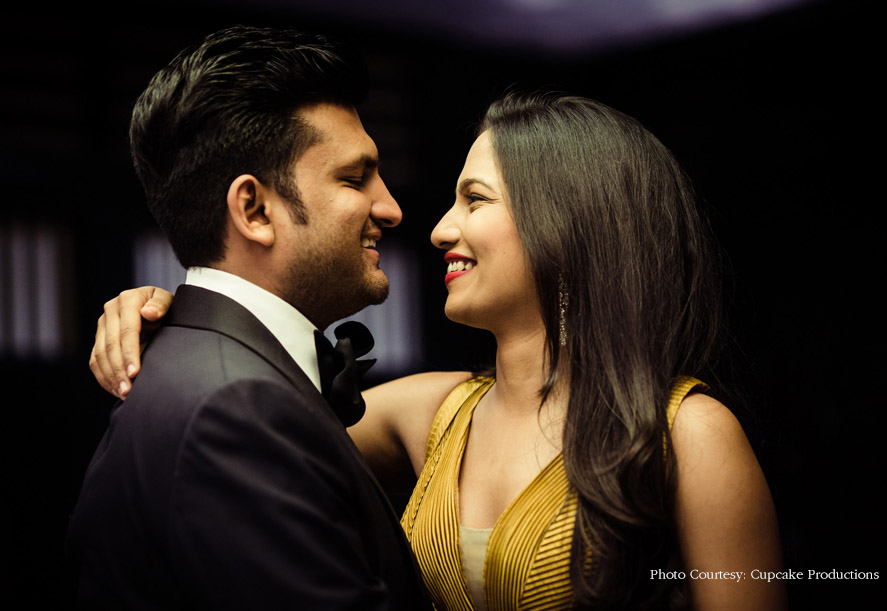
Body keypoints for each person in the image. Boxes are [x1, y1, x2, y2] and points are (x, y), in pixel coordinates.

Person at [90, 93, 787, 610]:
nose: (439, 229)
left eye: (474, 200)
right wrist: (184, 312)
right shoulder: (433, 411)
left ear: (569, 225)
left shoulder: (688, 434)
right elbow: (244, 424)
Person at [67, 25, 431, 610]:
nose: (390, 208)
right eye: (354, 178)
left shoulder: (203, 364)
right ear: (255, 210)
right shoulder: (236, 408)